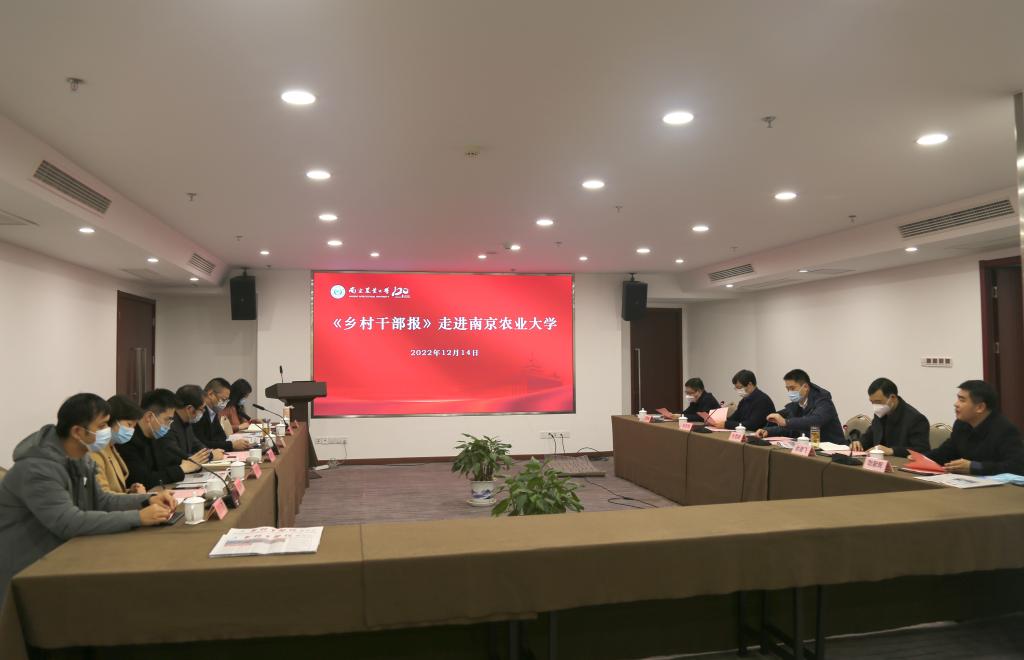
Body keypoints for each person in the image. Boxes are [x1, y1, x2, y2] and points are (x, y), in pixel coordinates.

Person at [0, 394, 176, 607]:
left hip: (65, 554)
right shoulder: (37, 469)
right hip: (27, 571)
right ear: (77, 432)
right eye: (101, 426)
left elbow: (101, 500)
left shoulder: (79, 455)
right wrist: (138, 517)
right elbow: (68, 522)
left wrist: (148, 500)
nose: (107, 431)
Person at [118, 389, 210, 489]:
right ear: (149, 417)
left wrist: (191, 465)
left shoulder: (155, 436)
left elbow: (167, 466)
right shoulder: (128, 441)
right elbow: (142, 480)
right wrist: (181, 469)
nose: (169, 426)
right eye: (167, 420)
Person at [927, 380, 1024, 476]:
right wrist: (921, 459)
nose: (956, 404)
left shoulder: (1005, 430)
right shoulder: (961, 424)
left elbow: (1016, 467)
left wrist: (975, 467)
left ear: (980, 407)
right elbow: (945, 452)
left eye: (962, 400)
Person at [756, 369, 846, 444]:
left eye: (792, 388)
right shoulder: (797, 404)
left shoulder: (823, 400)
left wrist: (786, 422)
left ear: (805, 387)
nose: (790, 392)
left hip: (834, 449)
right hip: (810, 448)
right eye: (787, 389)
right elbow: (792, 429)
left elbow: (815, 421)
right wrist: (768, 431)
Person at [850, 378, 930, 457]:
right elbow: (870, 436)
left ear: (892, 398)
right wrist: (859, 443)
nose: (875, 406)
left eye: (878, 402)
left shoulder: (916, 419)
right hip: (879, 462)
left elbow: (922, 450)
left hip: (901, 462)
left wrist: (892, 451)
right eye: (872, 402)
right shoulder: (880, 413)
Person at [90, 395, 147, 494]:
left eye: (134, 427)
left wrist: (130, 491)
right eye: (129, 425)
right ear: (113, 420)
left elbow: (116, 489)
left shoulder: (111, 447)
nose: (132, 430)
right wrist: (136, 498)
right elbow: (102, 496)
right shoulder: (97, 450)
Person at [167, 385, 224, 461]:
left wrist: (210, 452)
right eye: (202, 408)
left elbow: (196, 444)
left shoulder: (187, 422)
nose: (204, 411)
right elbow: (180, 456)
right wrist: (211, 456)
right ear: (189, 409)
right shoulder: (169, 425)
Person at [194, 377, 250, 451]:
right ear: (210, 394)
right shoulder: (198, 413)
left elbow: (221, 437)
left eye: (226, 401)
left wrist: (232, 444)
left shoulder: (213, 411)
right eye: (223, 400)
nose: (224, 404)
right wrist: (232, 445)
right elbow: (203, 443)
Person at [708, 370, 774, 431]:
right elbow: (734, 418)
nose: (738, 391)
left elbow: (752, 425)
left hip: (761, 436)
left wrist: (726, 424)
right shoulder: (744, 400)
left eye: (739, 387)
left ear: (750, 384)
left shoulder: (762, 400)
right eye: (736, 388)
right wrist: (719, 422)